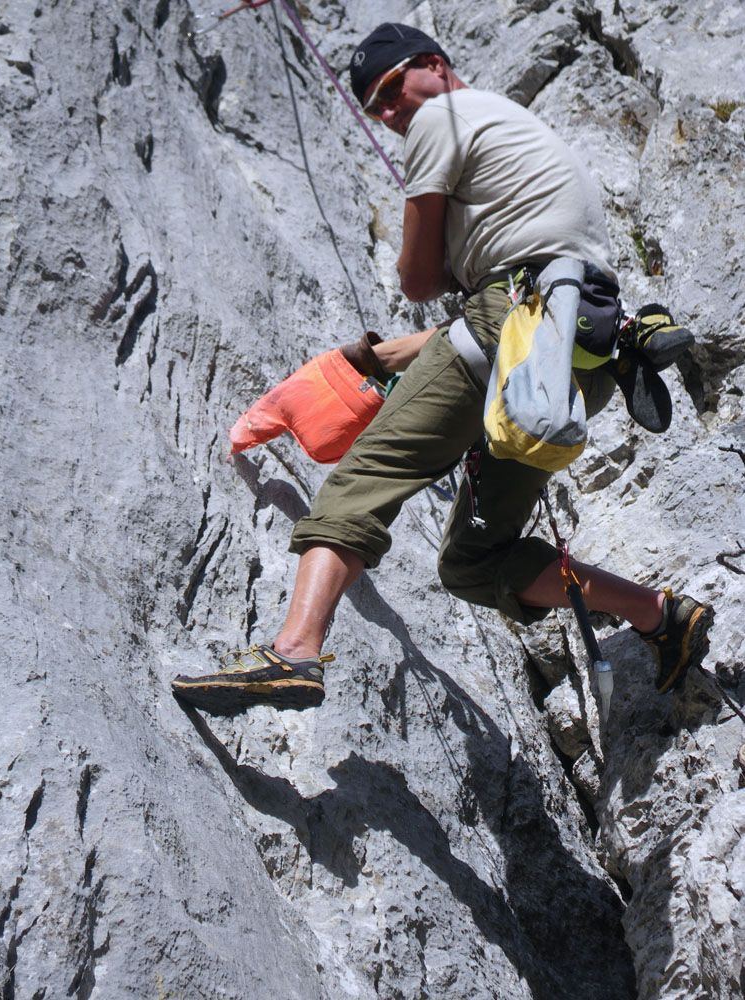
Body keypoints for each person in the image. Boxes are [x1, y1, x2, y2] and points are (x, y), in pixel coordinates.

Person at [172, 23, 713, 715]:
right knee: (475, 564)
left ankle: (295, 652)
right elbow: (471, 307)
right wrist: (381, 351)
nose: (392, 113)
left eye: (394, 90)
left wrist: (428, 280)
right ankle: (660, 615)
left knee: (365, 479)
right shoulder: (515, 136)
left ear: (434, 65)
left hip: (511, 324)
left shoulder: (442, 116)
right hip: (579, 355)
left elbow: (419, 280)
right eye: (377, 109)